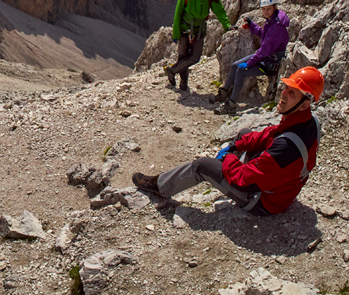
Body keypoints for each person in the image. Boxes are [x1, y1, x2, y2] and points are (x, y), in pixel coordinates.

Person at [132, 66, 324, 216]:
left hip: (262, 201)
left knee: (201, 165)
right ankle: (224, 169)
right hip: (279, 186)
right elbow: (270, 134)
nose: (283, 94)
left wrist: (229, 157)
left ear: (304, 104)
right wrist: (236, 145)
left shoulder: (286, 149)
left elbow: (243, 181)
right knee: (244, 134)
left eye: (292, 93)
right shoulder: (307, 121)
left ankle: (159, 186)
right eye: (286, 88)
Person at [214, 0, 290, 115]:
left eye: (268, 9)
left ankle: (231, 105)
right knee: (235, 65)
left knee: (241, 71)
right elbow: (263, 35)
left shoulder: (277, 27)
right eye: (264, 9)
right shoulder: (271, 21)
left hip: (270, 63)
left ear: (274, 7)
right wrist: (252, 25)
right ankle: (223, 93)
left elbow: (264, 50)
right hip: (265, 58)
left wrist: (249, 63)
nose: (265, 12)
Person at [164, 0, 231, 95]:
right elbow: (178, 13)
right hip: (185, 29)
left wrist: (227, 25)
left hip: (199, 30)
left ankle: (171, 71)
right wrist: (176, 34)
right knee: (183, 56)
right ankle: (183, 84)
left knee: (195, 57)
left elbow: (219, 11)